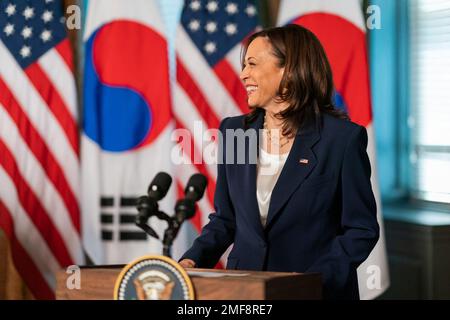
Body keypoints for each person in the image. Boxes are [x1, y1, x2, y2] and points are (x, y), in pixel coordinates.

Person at [179, 24, 379, 300]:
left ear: (288, 70)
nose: (243, 74)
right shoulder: (236, 132)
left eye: (252, 64)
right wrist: (192, 260)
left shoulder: (341, 140)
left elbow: (361, 229)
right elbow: (226, 219)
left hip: (314, 292)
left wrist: (314, 280)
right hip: (245, 292)